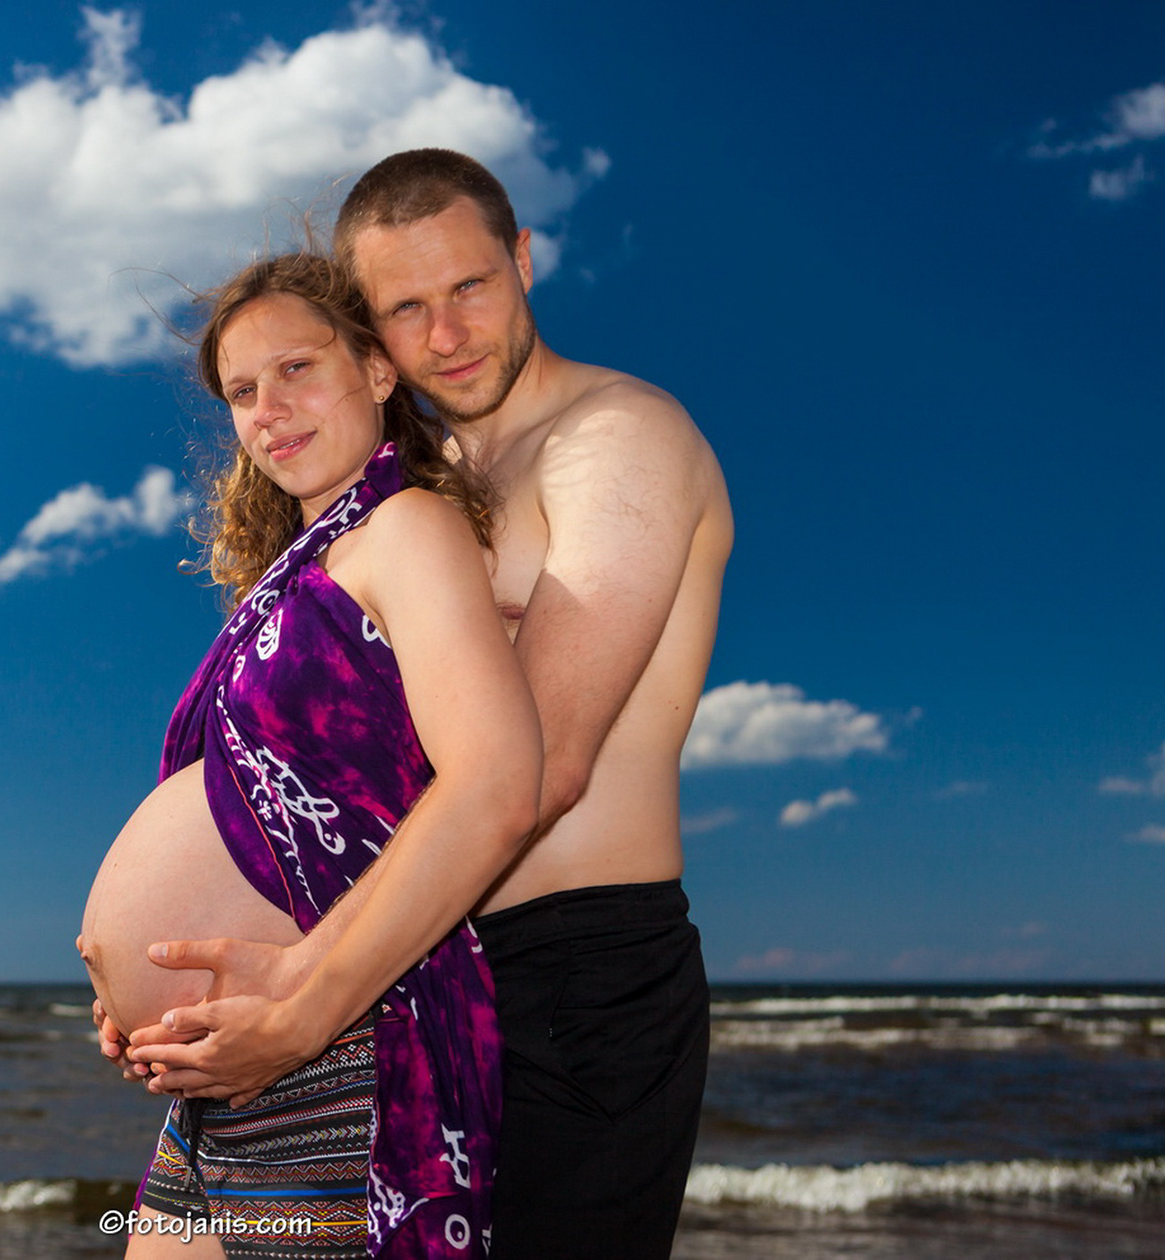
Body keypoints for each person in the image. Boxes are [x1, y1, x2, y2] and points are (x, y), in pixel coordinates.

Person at [111, 149, 734, 1260]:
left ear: (524, 260)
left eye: (470, 286)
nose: (445, 334)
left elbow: (535, 767)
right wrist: (182, 979)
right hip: (398, 959)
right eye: (405, 307)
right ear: (373, 335)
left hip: (566, 975)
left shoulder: (615, 440)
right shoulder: (400, 489)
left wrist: (302, 996)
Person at [78, 252, 542, 1257]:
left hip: (331, 1050)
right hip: (226, 1075)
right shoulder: (288, 580)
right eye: (243, 391)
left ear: (376, 368)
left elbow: (499, 785)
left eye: (297, 368)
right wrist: (137, 999)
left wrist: (303, 1005)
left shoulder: (407, 529)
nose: (269, 409)